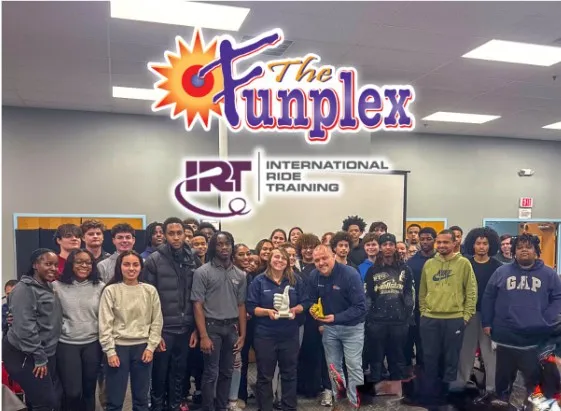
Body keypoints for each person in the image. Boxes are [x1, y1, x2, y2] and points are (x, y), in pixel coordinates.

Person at [482, 233, 561, 407]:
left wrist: (547, 319)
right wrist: (486, 322)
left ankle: (534, 404)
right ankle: (503, 400)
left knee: (533, 381)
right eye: (519, 247)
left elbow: (557, 298)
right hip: (506, 337)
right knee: (503, 377)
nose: (524, 250)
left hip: (533, 340)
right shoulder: (501, 272)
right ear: (514, 252)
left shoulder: (549, 274)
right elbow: (488, 297)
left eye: (528, 247)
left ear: (536, 251)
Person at [142, 217, 199, 411]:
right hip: (163, 329)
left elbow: (198, 296)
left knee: (179, 374)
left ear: (185, 234)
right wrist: (154, 333)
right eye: (171, 233)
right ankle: (157, 407)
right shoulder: (154, 260)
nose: (176, 237)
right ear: (165, 235)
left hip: (186, 328)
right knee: (159, 374)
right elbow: (148, 298)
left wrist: (196, 329)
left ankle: (174, 406)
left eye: (179, 233)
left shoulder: (193, 258)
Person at [415, 229, 477, 406]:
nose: (441, 245)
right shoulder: (429, 264)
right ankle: (431, 396)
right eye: (439, 242)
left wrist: (466, 316)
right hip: (430, 318)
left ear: (454, 243)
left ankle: (447, 396)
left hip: (454, 319)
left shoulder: (463, 263)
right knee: (430, 357)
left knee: (450, 358)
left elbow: (471, 291)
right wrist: (424, 311)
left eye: (446, 242)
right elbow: (422, 291)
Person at [98, 250, 163, 411]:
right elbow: (105, 323)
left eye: (135, 264)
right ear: (119, 267)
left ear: (141, 267)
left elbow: (156, 321)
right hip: (118, 348)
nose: (131, 268)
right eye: (126, 264)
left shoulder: (150, 291)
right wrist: (110, 351)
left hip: (143, 348)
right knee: (114, 400)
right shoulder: (111, 290)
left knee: (141, 399)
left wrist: (151, 347)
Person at [247, 248, 310, 411]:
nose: (279, 260)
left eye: (283, 258)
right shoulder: (259, 281)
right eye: (276, 257)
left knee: (289, 373)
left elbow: (306, 302)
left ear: (288, 261)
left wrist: (295, 309)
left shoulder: (295, 280)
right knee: (265, 375)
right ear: (270, 259)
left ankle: (289, 407)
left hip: (289, 334)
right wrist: (267, 312)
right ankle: (265, 408)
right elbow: (251, 307)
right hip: (265, 334)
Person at [191, 231, 247, 411]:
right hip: (211, 328)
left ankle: (222, 407)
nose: (224, 247)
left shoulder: (240, 274)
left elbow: (241, 305)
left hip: (231, 329)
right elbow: (197, 305)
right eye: (219, 244)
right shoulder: (202, 272)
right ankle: (208, 408)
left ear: (232, 246)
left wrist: (242, 335)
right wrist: (203, 335)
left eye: (227, 244)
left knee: (227, 372)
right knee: (211, 373)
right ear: (213, 247)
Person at [3, 248, 63, 411]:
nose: (53, 268)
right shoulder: (24, 289)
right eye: (48, 264)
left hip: (43, 352)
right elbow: (25, 328)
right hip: (25, 354)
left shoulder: (47, 286)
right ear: (35, 265)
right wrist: (39, 357)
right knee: (45, 402)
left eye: (55, 265)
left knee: (39, 399)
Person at [308, 245, 367, 409]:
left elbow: (361, 307)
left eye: (324, 258)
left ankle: (354, 405)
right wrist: (314, 311)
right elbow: (311, 300)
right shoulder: (314, 276)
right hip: (330, 329)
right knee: (334, 369)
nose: (321, 263)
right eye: (317, 260)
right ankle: (340, 404)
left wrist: (336, 317)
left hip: (352, 328)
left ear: (333, 256)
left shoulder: (350, 274)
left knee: (354, 367)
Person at [451, 227, 502, 399]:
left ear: (490, 245)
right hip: (469, 314)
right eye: (478, 243)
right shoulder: (465, 263)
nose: (481, 247)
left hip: (490, 316)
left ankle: (492, 389)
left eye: (485, 243)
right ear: (472, 245)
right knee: (465, 351)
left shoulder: (498, 267)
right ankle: (461, 384)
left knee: (490, 353)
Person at [54, 248, 104, 411]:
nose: (84, 266)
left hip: (92, 343)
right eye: (79, 262)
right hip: (67, 344)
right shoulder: (57, 286)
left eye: (88, 262)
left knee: (89, 391)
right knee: (73, 393)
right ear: (71, 264)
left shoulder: (100, 286)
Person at [364, 234, 414, 388]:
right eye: (384, 244)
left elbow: (409, 293)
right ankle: (376, 388)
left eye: (391, 244)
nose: (388, 247)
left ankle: (397, 388)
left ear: (395, 247)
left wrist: (406, 313)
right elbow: (367, 295)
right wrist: (369, 317)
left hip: (399, 321)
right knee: (376, 358)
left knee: (397, 357)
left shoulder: (405, 269)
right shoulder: (372, 270)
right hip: (377, 321)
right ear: (380, 247)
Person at [405, 227, 437, 369]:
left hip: (434, 310)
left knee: (428, 347)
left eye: (428, 239)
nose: (425, 242)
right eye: (422, 239)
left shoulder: (440, 260)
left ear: (434, 240)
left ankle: (427, 375)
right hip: (415, 309)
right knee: (411, 342)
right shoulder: (411, 263)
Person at [229, 244, 252, 411]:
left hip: (250, 324)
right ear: (233, 257)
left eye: (248, 254)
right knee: (232, 362)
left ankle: (240, 395)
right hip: (232, 324)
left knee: (243, 362)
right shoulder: (230, 275)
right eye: (241, 254)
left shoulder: (250, 275)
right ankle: (230, 397)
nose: (246, 257)